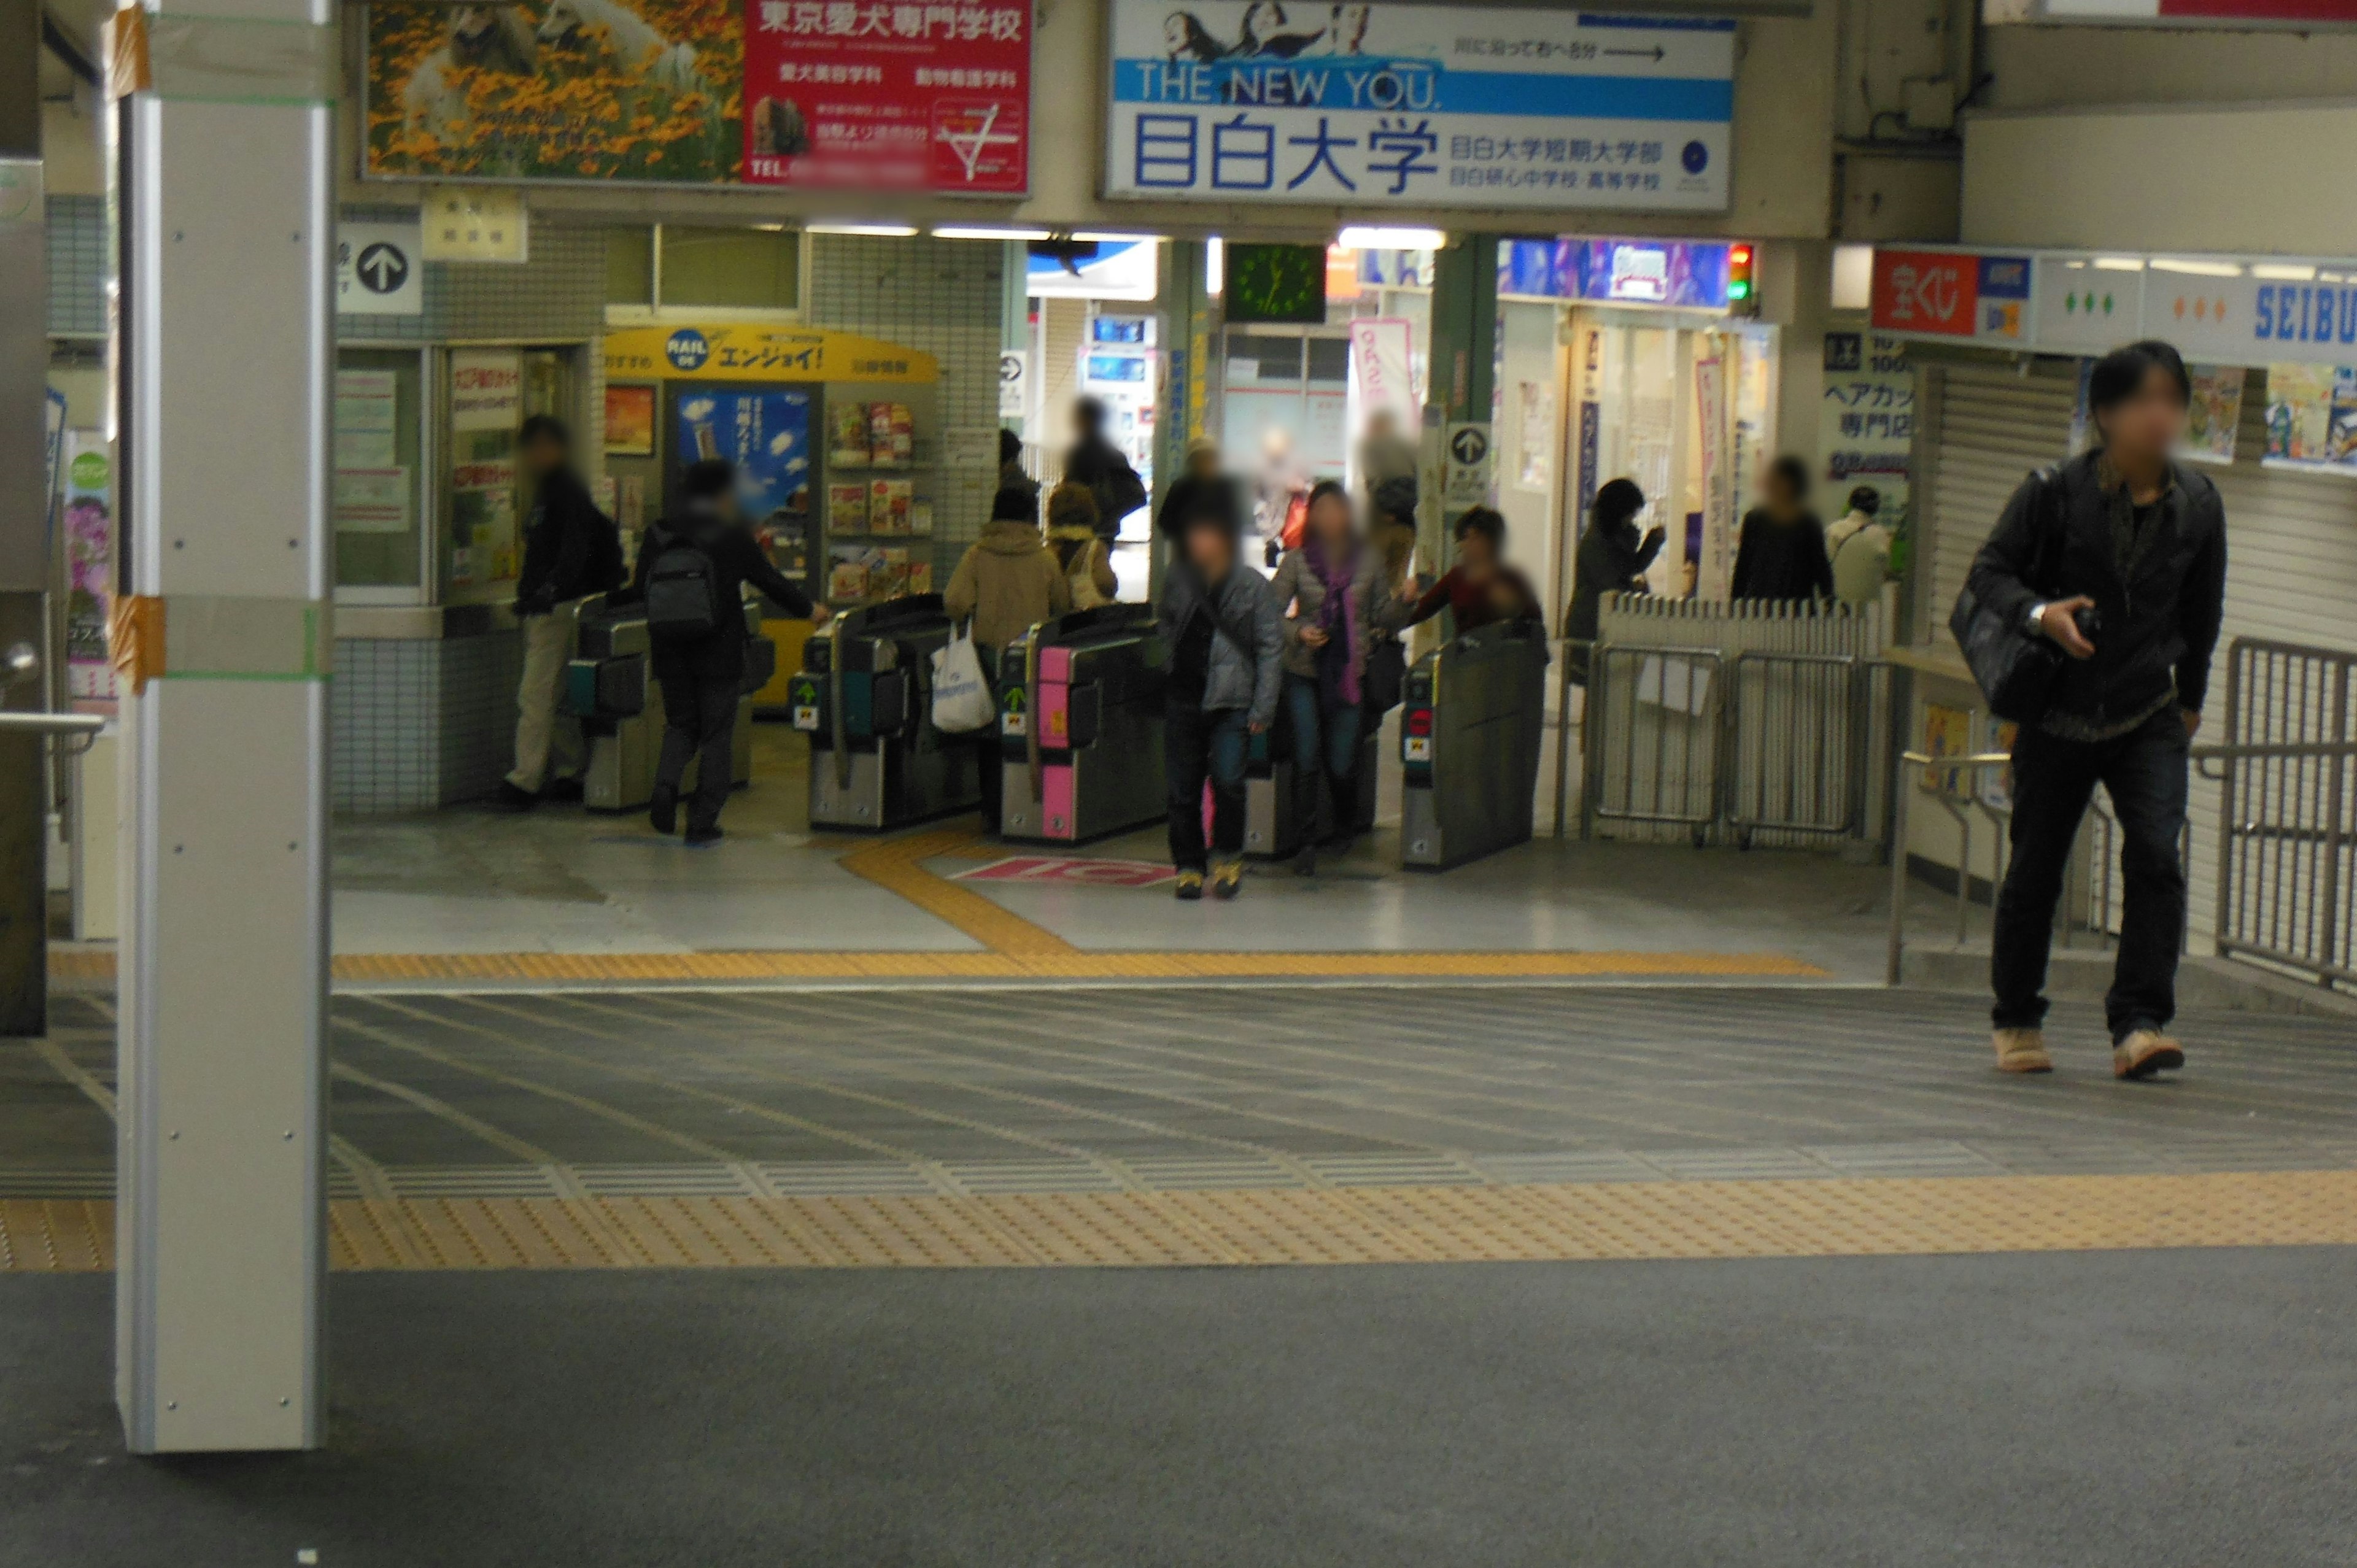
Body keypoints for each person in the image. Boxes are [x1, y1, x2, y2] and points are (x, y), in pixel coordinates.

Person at [1965, 339, 2226, 1081]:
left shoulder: (2199, 504)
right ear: (2106, 413)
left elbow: (2202, 611)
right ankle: (2016, 1016)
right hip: (2059, 712)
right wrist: (2042, 612)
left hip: (2149, 710)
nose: (2163, 416)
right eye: (2146, 400)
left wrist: (2194, 698)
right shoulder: (2052, 492)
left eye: (2174, 400)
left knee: (2155, 857)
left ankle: (2139, 1023)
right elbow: (1989, 571)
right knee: (2037, 870)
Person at [631, 459, 821, 844]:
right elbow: (768, 580)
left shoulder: (659, 533)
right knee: (718, 734)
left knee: (681, 725)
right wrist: (809, 610)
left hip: (671, 652)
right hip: (718, 653)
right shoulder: (730, 532)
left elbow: (640, 592)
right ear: (721, 493)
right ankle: (702, 821)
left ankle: (666, 786)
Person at [1155, 475, 1282, 901]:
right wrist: (1170, 663)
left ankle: (1228, 855)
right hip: (1184, 698)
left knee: (1228, 780)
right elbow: (1165, 623)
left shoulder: (1253, 587)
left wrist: (1262, 707)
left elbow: (1269, 647)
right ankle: (1189, 864)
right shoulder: (1179, 578)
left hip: (1232, 702)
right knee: (1182, 789)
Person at [499, 415, 625, 809]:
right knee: (561, 693)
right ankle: (571, 771)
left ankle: (526, 779)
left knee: (535, 694)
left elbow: (571, 548)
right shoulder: (553, 489)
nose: (532, 456)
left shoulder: (564, 491)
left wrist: (549, 591)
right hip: (564, 605)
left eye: (537, 447)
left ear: (552, 448)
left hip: (556, 609)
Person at [944, 484, 1074, 830]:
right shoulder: (1045, 558)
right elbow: (1063, 607)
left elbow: (954, 602)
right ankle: (1027, 804)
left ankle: (992, 808)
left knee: (989, 731)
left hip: (987, 657)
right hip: (1031, 659)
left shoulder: (976, 555)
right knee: (1029, 728)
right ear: (1031, 516)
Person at [1269, 481, 1380, 874]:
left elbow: (1384, 616)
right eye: (1321, 511)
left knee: (1340, 759)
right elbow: (1270, 613)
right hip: (1303, 670)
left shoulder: (1368, 563)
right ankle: (1305, 842)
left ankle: (1345, 824)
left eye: (1336, 510)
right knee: (1306, 752)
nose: (1329, 518)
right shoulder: (1297, 562)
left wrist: (1404, 602)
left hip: (1349, 673)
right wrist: (1298, 631)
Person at [1563, 477, 1664, 682]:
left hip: (1606, 623)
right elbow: (1614, 584)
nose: (1632, 520)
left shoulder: (1615, 537)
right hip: (1591, 626)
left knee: (1608, 692)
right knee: (1597, 692)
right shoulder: (1596, 544)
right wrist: (1637, 590)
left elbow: (1630, 568)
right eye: (1630, 514)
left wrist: (1651, 543)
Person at [1402, 507, 1543, 636]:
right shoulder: (1457, 577)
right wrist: (1406, 603)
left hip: (1502, 657)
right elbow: (1423, 609)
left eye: (1475, 538)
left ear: (1493, 540)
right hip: (1465, 657)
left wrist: (1514, 606)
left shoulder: (1511, 577)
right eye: (1465, 538)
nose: (1467, 544)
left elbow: (1536, 623)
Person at [1730, 455, 1834, 604]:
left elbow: (1820, 564)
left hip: (1797, 603)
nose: (1774, 485)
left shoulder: (1808, 521)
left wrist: (1828, 596)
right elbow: (1744, 564)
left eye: (1780, 480)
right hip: (1758, 602)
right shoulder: (1754, 519)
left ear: (1794, 484)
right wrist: (1736, 601)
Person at [1062, 396, 1147, 541]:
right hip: (1106, 531)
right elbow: (1137, 496)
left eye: (1077, 417)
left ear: (1085, 419)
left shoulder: (1080, 454)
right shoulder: (1114, 454)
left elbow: (1072, 492)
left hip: (1080, 530)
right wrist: (1109, 518)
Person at [1044, 482, 1118, 611]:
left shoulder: (1048, 550)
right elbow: (1107, 584)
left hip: (1057, 624)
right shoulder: (1094, 549)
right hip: (1085, 623)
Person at [1824, 484, 1894, 609]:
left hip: (1838, 602)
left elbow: (1825, 565)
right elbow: (1886, 570)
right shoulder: (1882, 535)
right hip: (1871, 605)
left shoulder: (1833, 530)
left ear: (1850, 504)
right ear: (1875, 507)